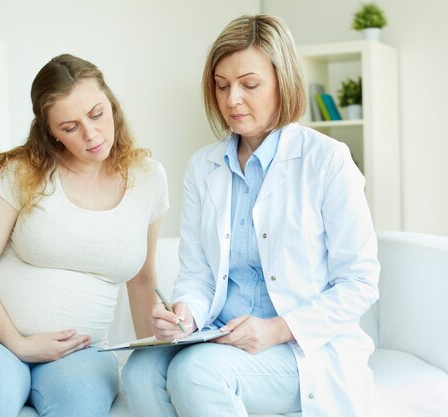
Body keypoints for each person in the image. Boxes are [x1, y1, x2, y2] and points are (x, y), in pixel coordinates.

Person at [123, 14, 379, 417]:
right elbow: (198, 275)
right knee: (139, 373)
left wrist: (276, 329)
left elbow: (359, 283)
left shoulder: (328, 160)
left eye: (250, 84)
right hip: (220, 337)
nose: (232, 100)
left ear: (283, 81)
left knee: (197, 373)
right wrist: (185, 314)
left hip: (301, 349)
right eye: (222, 86)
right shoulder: (202, 167)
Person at [0, 54, 169, 417]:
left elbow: (142, 280)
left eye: (97, 113)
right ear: (50, 131)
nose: (92, 135)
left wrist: (153, 361)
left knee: (81, 404)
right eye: (70, 127)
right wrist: (19, 344)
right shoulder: (23, 172)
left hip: (78, 353)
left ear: (111, 103)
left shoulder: (148, 178)